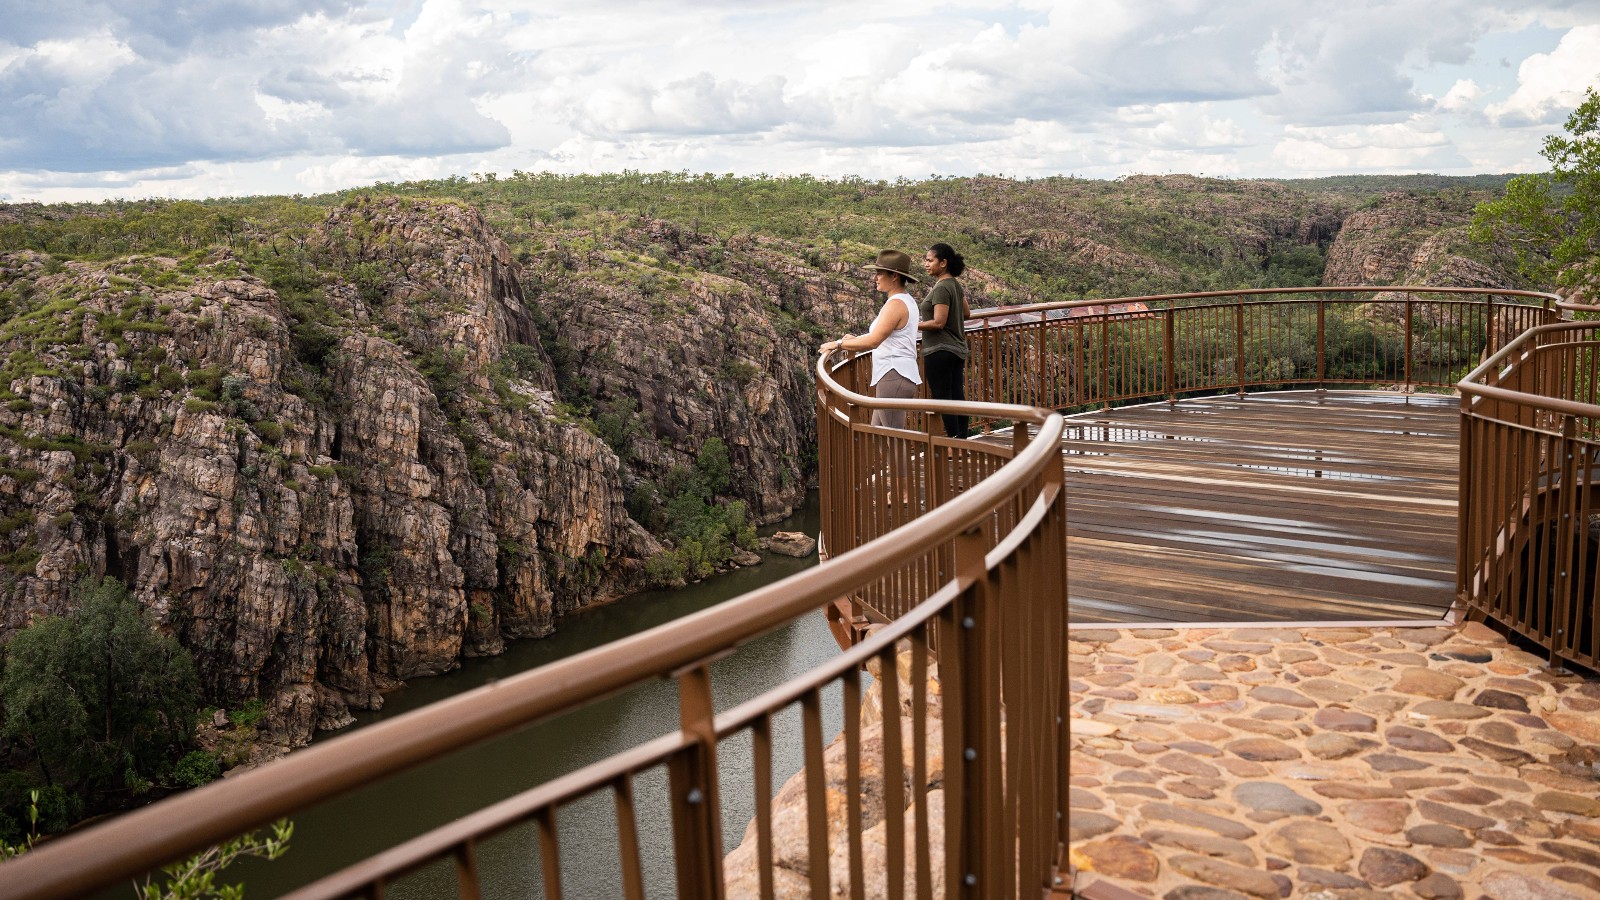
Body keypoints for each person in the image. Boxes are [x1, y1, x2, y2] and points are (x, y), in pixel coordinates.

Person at [819, 250, 922, 429]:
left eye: (879, 273)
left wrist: (839, 344)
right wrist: (856, 339)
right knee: (879, 433)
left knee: (895, 438)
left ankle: (899, 459)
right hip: (894, 374)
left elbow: (874, 341)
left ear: (894, 276)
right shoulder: (905, 301)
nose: (875, 278)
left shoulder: (896, 305)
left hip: (894, 374)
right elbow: (884, 336)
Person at [918, 242, 970, 438]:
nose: (926, 264)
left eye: (930, 260)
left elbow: (938, 322)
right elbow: (967, 313)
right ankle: (962, 439)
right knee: (957, 395)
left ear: (943, 263)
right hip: (957, 349)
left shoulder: (941, 288)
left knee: (942, 397)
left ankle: (953, 441)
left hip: (939, 349)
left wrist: (911, 324)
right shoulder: (955, 285)